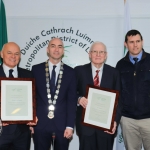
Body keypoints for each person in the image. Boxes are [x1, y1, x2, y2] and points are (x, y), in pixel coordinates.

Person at [32, 38, 77, 150]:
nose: (56, 49)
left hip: (62, 125)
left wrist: (70, 125)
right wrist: (31, 120)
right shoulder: (36, 69)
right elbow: (31, 97)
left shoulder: (71, 72)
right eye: (53, 46)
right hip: (39, 123)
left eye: (60, 46)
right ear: (48, 49)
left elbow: (72, 101)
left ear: (63, 51)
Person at [75, 41, 121, 150]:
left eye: (101, 52)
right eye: (95, 51)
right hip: (85, 127)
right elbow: (70, 93)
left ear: (106, 55)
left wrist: (115, 121)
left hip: (106, 127)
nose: (98, 55)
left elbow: (119, 100)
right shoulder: (79, 71)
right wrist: (79, 99)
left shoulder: (114, 73)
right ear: (89, 54)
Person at [116, 29, 150, 150]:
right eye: (131, 42)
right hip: (128, 120)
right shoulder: (120, 65)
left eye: (137, 41)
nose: (135, 45)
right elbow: (117, 92)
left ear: (142, 42)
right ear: (126, 44)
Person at [0, 42, 34, 150]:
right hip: (1, 132)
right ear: (1, 54)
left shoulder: (28, 75)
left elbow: (34, 99)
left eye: (16, 53)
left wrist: (33, 117)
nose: (13, 56)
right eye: (9, 53)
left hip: (22, 133)